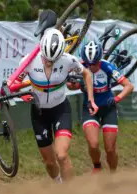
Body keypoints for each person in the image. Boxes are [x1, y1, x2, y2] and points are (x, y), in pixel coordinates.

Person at [14, 28, 98, 183]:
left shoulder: (67, 60)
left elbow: (86, 73)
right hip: (39, 114)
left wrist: (91, 100)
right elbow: (15, 83)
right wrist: (23, 93)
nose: (48, 62)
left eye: (52, 60)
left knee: (62, 155)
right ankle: (59, 186)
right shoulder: (28, 61)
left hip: (60, 110)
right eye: (45, 58)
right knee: (50, 163)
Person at [66, 40, 134, 174]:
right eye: (89, 64)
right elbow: (70, 85)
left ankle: (113, 175)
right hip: (90, 109)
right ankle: (97, 166)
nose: (92, 67)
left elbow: (129, 86)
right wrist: (76, 84)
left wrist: (117, 99)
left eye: (95, 63)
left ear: (99, 59)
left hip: (108, 108)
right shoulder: (80, 67)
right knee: (93, 144)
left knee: (110, 149)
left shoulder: (107, 67)